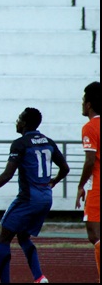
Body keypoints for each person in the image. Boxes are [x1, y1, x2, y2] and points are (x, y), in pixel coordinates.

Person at [0, 108, 70, 283]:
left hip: (28, 198)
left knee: (3, 238)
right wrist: (53, 182)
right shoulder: (48, 141)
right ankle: (39, 277)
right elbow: (65, 168)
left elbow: (7, 175)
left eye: (18, 119)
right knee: (23, 236)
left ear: (24, 123)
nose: (16, 122)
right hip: (46, 197)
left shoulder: (20, 143)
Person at [76, 82, 100, 280]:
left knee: (94, 234)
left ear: (89, 104)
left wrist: (80, 186)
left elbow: (90, 161)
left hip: (97, 187)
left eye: (83, 100)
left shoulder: (90, 127)